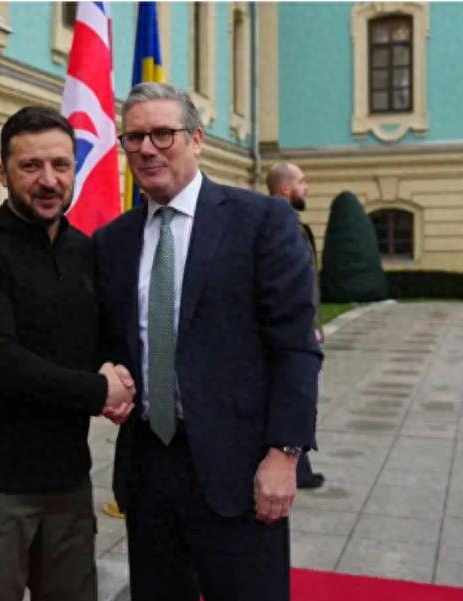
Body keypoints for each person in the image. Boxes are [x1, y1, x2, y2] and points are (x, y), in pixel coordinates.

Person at [93, 83, 322, 601]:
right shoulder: (112, 241)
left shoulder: (261, 222)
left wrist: (285, 455)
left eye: (163, 134)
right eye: (134, 138)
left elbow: (295, 348)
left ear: (196, 139)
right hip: (149, 470)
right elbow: (110, 340)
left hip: (240, 470)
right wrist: (105, 373)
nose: (147, 148)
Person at [0, 106, 134, 601]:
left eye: (61, 165)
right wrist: (98, 391)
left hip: (67, 482)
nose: (49, 180)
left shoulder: (85, 250)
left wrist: (114, 370)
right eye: (31, 166)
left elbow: (96, 336)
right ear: (2, 173)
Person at [267, 162, 326, 490]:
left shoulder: (278, 222)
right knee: (297, 394)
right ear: (286, 188)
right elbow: (297, 286)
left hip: (296, 327)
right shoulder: (282, 226)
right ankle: (296, 468)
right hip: (296, 330)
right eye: (302, 182)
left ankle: (298, 466)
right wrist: (310, 325)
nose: (307, 188)